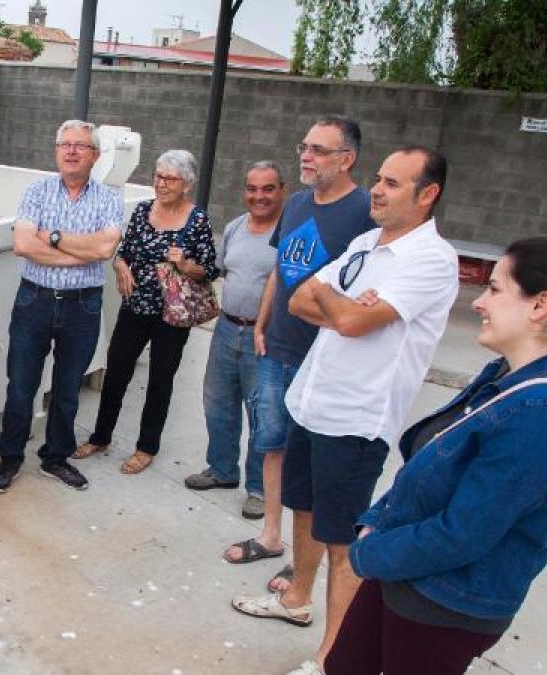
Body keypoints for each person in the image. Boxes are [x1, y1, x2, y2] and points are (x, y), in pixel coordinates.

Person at [325, 237, 547, 675]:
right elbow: (428, 466)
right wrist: (377, 527)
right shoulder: (506, 375)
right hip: (404, 567)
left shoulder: (544, 412)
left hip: (443, 602)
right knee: (344, 665)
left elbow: (463, 535)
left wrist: (368, 551)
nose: (478, 302)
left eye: (495, 289)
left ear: (541, 305)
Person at [232, 146, 459, 675]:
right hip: (313, 400)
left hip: (356, 419)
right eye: (378, 178)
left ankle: (333, 659)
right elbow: (298, 299)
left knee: (343, 544)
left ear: (428, 194)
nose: (376, 189)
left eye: (393, 183)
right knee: (305, 510)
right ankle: (296, 599)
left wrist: (339, 307)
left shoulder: (431, 260)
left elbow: (352, 322)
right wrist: (347, 308)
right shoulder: (364, 243)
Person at [222, 116, 376, 570]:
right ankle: (271, 535)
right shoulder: (296, 204)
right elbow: (281, 268)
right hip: (277, 348)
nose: (306, 157)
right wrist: (262, 321)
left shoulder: (365, 212)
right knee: (272, 443)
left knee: (314, 461)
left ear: (346, 159)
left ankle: (304, 560)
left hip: (325, 357)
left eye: (318, 150)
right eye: (304, 148)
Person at [0, 119, 124, 493]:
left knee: (67, 387)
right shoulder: (37, 191)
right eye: (65, 144)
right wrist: (81, 252)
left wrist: (52, 237)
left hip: (83, 306)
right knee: (21, 385)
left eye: (80, 145)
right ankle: (10, 459)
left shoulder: (108, 198)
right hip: (34, 300)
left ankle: (55, 458)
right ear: (56, 150)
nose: (71, 151)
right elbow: (23, 244)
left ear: (95, 155)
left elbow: (105, 248)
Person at [70, 149, 217, 474]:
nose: (161, 184)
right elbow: (124, 251)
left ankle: (146, 447)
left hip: (172, 315)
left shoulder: (197, 220)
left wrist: (185, 265)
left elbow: (208, 270)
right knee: (116, 373)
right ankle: (100, 437)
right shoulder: (142, 211)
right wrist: (120, 266)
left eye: (169, 179)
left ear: (187, 184)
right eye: (158, 176)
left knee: (160, 380)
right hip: (135, 306)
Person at [186, 161, 284, 521]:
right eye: (252, 188)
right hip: (226, 329)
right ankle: (222, 469)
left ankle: (258, 489)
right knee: (218, 402)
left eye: (268, 188)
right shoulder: (235, 227)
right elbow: (220, 270)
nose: (259, 196)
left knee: (261, 412)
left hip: (266, 337)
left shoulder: (290, 234)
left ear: (282, 191)